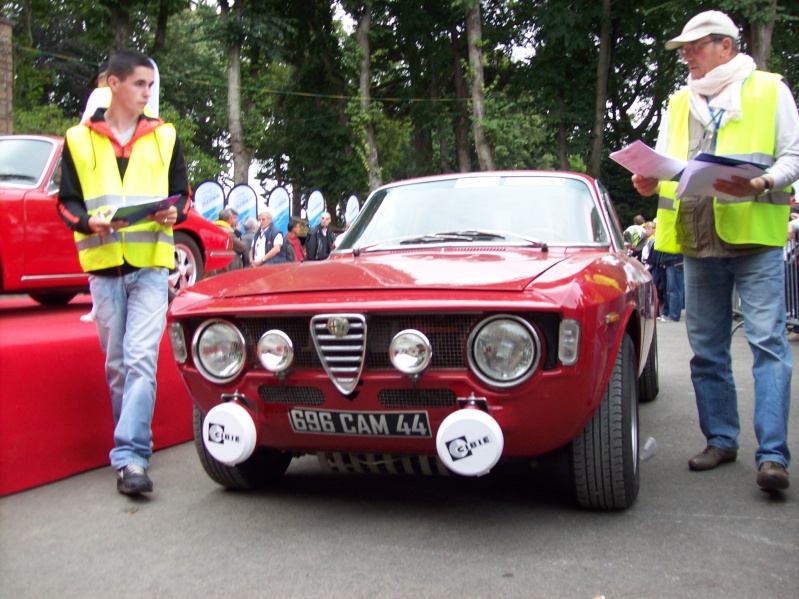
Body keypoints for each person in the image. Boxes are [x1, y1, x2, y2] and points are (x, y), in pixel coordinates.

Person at [631, 11, 799, 491]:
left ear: (726, 46)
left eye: (695, 46)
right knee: (706, 351)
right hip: (697, 240)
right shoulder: (680, 100)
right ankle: (721, 439)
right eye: (683, 48)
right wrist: (647, 179)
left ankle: (773, 457)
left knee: (767, 346)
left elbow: (793, 155)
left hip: (755, 240)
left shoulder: (769, 89)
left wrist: (764, 181)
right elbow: (666, 167)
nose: (686, 55)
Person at [57, 50, 190, 496]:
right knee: (117, 367)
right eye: (139, 84)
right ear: (112, 84)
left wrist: (175, 213)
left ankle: (131, 456)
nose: (147, 93)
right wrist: (86, 222)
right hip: (103, 267)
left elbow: (182, 195)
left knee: (139, 361)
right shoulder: (78, 139)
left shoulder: (166, 136)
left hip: (152, 265)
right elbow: (66, 203)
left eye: (150, 86)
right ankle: (127, 451)